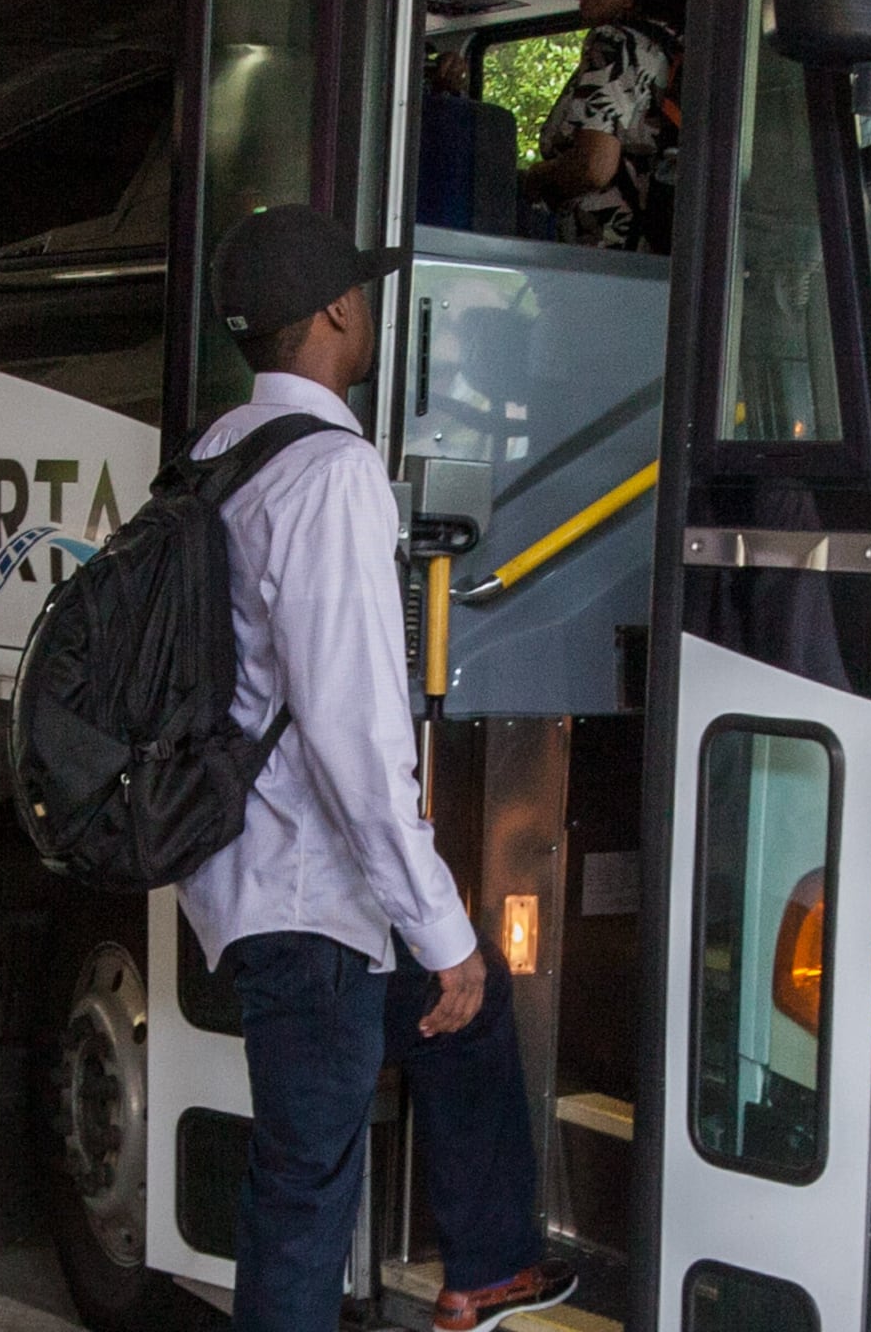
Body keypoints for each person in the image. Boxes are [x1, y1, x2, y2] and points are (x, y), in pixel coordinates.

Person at [185, 204, 572, 1332]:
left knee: (464, 1013)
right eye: (364, 297)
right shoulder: (332, 475)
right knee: (304, 1195)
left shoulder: (218, 452)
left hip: (256, 880)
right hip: (311, 902)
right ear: (338, 316)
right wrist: (441, 921)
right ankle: (484, 1257)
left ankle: (490, 1258)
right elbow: (353, 735)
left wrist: (441, 943)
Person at [522, 0, 687, 253]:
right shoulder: (674, 44)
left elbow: (593, 166)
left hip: (603, 269)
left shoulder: (614, 43)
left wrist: (531, 180)